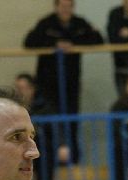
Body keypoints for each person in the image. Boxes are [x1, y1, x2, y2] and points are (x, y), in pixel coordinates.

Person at [24, 0, 103, 162]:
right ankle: (49, 159)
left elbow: (98, 39)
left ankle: (72, 158)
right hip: (47, 82)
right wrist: (54, 45)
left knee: (71, 119)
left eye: (69, 6)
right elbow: (29, 42)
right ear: (56, 7)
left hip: (71, 82)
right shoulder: (46, 23)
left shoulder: (79, 23)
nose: (66, 9)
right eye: (62, 6)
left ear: (73, 7)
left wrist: (73, 45)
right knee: (50, 121)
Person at [13, 73, 71, 180]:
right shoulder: (12, 109)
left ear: (32, 89)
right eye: (17, 88)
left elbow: (56, 128)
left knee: (45, 157)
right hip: (19, 149)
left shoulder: (44, 106)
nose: (20, 92)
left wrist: (62, 145)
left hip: (42, 149)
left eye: (23, 88)